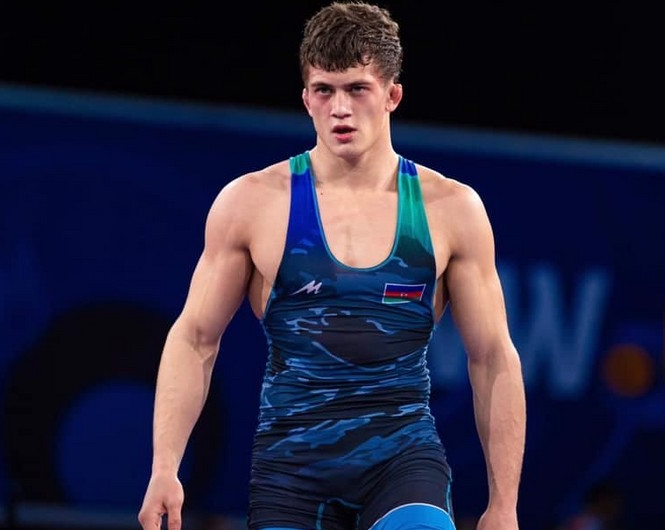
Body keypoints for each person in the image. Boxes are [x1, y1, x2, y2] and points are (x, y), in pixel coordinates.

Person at [137, 2, 526, 530]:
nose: (340, 109)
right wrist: (165, 467)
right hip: (291, 470)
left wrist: (504, 505)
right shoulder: (252, 203)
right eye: (324, 90)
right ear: (306, 98)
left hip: (402, 461)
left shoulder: (451, 209)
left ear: (392, 95)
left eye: (357, 89)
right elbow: (195, 338)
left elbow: (493, 356)